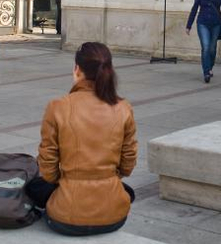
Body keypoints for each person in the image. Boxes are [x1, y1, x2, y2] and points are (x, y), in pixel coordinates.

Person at [26, 42, 138, 236]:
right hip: (113, 217)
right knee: (127, 192)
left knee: (34, 187)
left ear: (77, 69)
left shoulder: (58, 106)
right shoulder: (123, 107)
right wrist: (108, 178)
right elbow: (128, 164)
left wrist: (64, 181)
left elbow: (48, 168)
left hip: (65, 218)